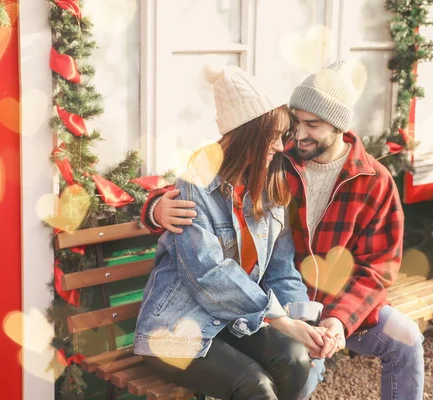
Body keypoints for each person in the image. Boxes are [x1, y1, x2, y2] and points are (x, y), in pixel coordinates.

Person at [141, 61, 424, 400]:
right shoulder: (277, 162)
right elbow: (205, 251)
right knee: (273, 374)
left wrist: (329, 322)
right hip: (243, 310)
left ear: (337, 126)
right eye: (293, 125)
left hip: (319, 305)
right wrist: (154, 207)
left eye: (312, 125)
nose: (294, 137)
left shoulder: (367, 182)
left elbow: (372, 269)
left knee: (402, 340)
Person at [133, 63, 330, 400]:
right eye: (273, 135)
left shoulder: (269, 186)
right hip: (175, 328)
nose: (281, 146)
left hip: (232, 321)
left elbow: (281, 269)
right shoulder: (195, 184)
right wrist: (282, 322)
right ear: (248, 135)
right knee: (254, 386)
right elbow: (209, 273)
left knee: (296, 360)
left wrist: (304, 322)